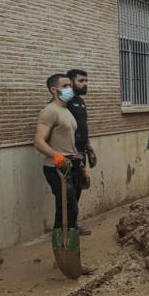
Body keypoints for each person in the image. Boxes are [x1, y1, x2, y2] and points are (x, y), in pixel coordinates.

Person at [33, 74, 80, 233]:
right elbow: (39, 141)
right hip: (56, 167)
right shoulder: (50, 111)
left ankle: (70, 238)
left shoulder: (65, 110)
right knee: (66, 207)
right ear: (54, 90)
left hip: (70, 164)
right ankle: (61, 243)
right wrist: (56, 156)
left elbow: (68, 140)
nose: (70, 89)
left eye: (70, 86)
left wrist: (78, 162)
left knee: (71, 206)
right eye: (65, 86)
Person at [66, 69, 96, 235]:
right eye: (81, 81)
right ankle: (67, 228)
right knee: (69, 192)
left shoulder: (80, 102)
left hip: (81, 150)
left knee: (78, 188)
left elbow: (83, 128)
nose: (85, 84)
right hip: (71, 153)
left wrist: (89, 149)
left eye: (86, 80)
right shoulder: (67, 102)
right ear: (71, 82)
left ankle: (74, 225)